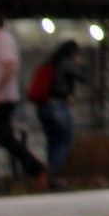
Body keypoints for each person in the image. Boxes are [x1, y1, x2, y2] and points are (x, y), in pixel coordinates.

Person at [0, 12, 46, 189]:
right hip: (0, 96)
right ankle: (35, 168)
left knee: (5, 137)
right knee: (4, 137)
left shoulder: (3, 40)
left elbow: (9, 68)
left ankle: (36, 168)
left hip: (3, 98)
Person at [33, 39, 86, 187]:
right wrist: (80, 64)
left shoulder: (51, 62)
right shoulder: (66, 62)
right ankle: (51, 172)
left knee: (53, 141)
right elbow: (83, 77)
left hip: (43, 106)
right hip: (58, 105)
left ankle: (47, 175)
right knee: (65, 140)